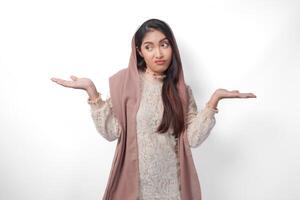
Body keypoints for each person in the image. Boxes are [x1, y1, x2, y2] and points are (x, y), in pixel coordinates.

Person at [51, 18, 256, 200]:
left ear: (172, 47)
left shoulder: (182, 91)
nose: (158, 53)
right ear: (139, 51)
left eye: (164, 45)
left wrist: (214, 101)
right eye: (149, 47)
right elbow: (111, 132)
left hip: (172, 189)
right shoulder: (126, 83)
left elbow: (192, 139)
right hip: (134, 189)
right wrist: (91, 91)